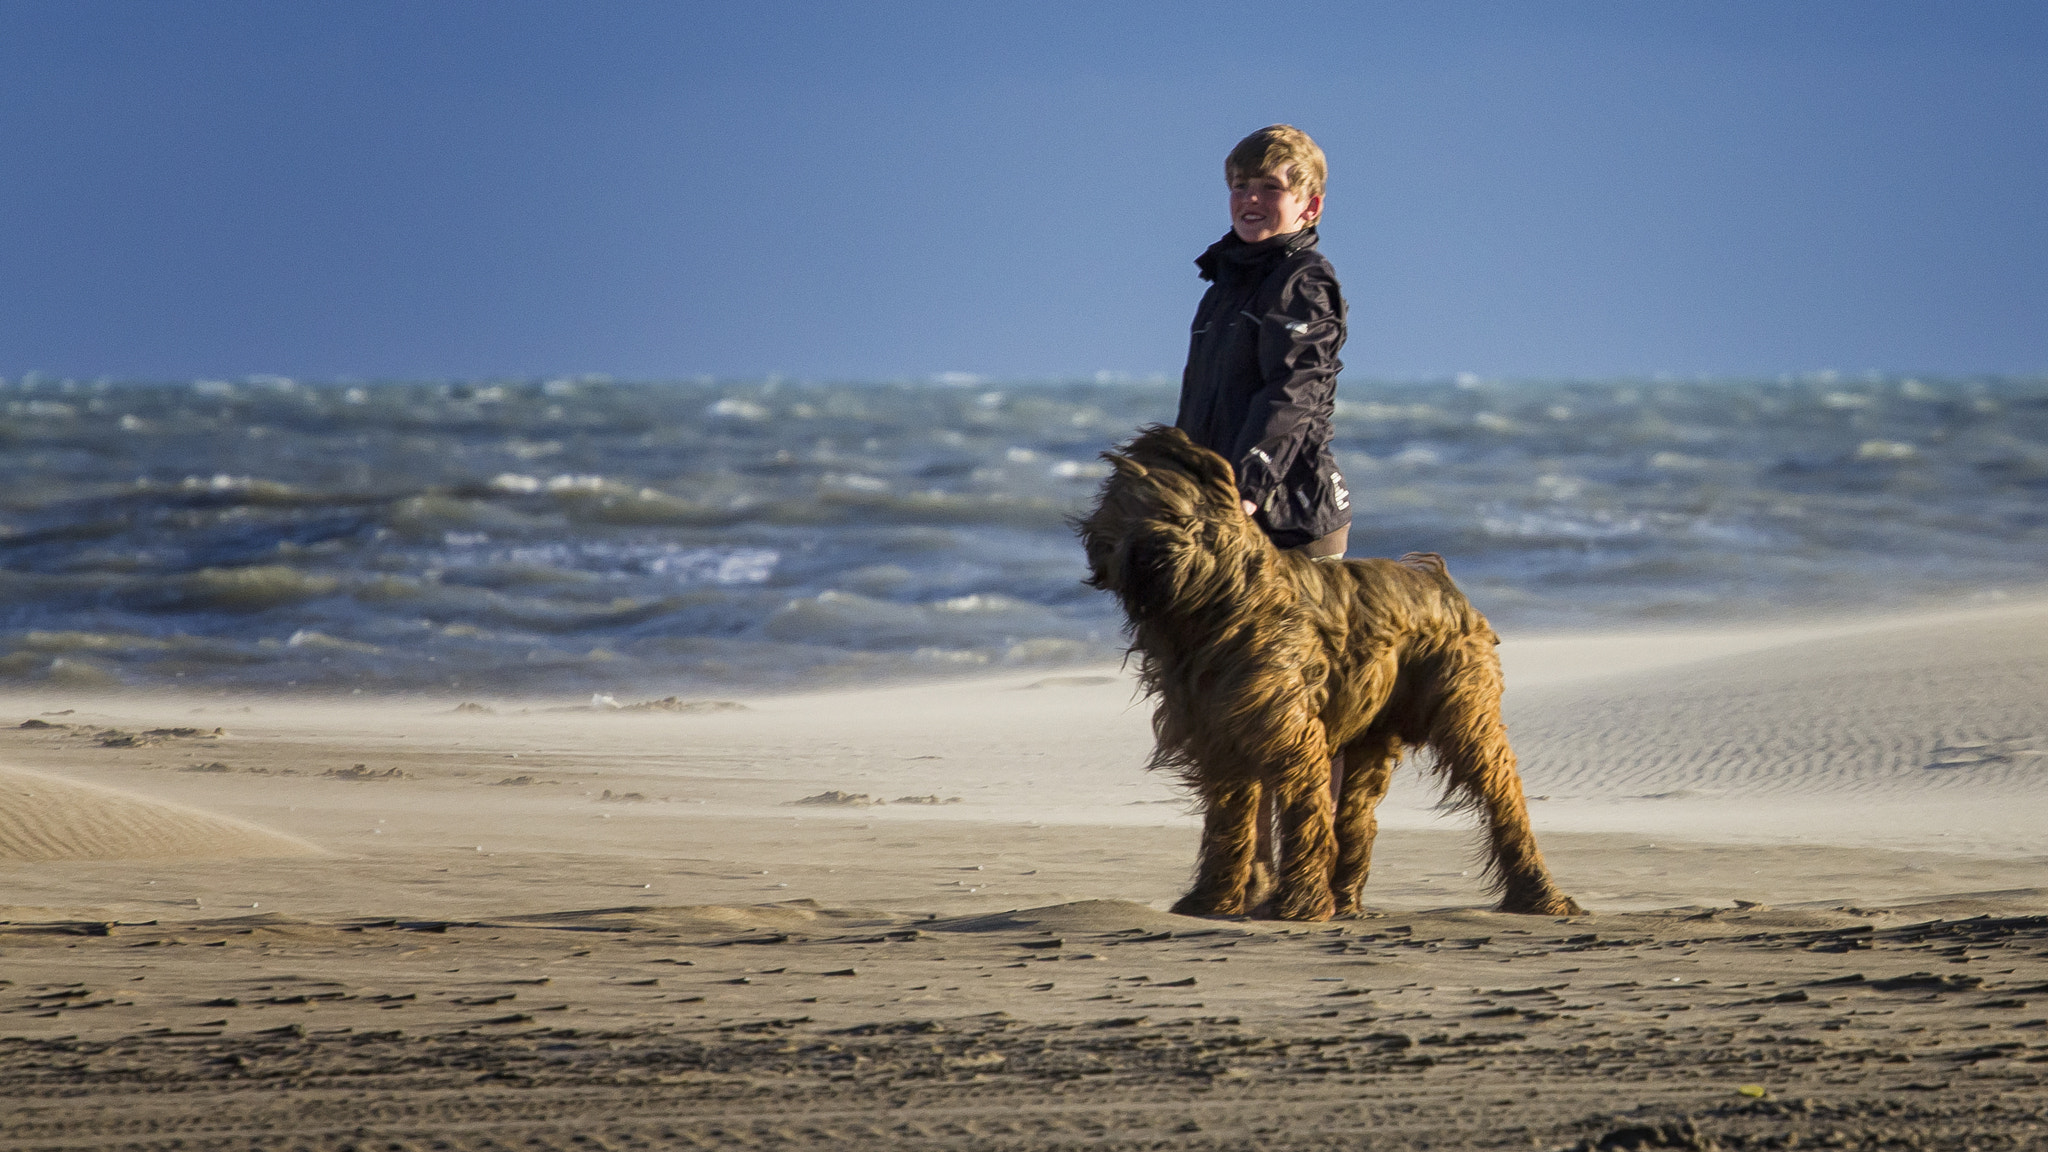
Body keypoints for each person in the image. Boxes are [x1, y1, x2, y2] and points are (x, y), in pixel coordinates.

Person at [1175, 124, 1350, 559]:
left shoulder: (1304, 281)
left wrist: (1249, 487)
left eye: (1270, 188)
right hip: (1223, 509)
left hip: (1291, 515)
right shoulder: (1224, 286)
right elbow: (1201, 403)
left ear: (1310, 206)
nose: (1250, 199)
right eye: (1240, 187)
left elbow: (1294, 391)